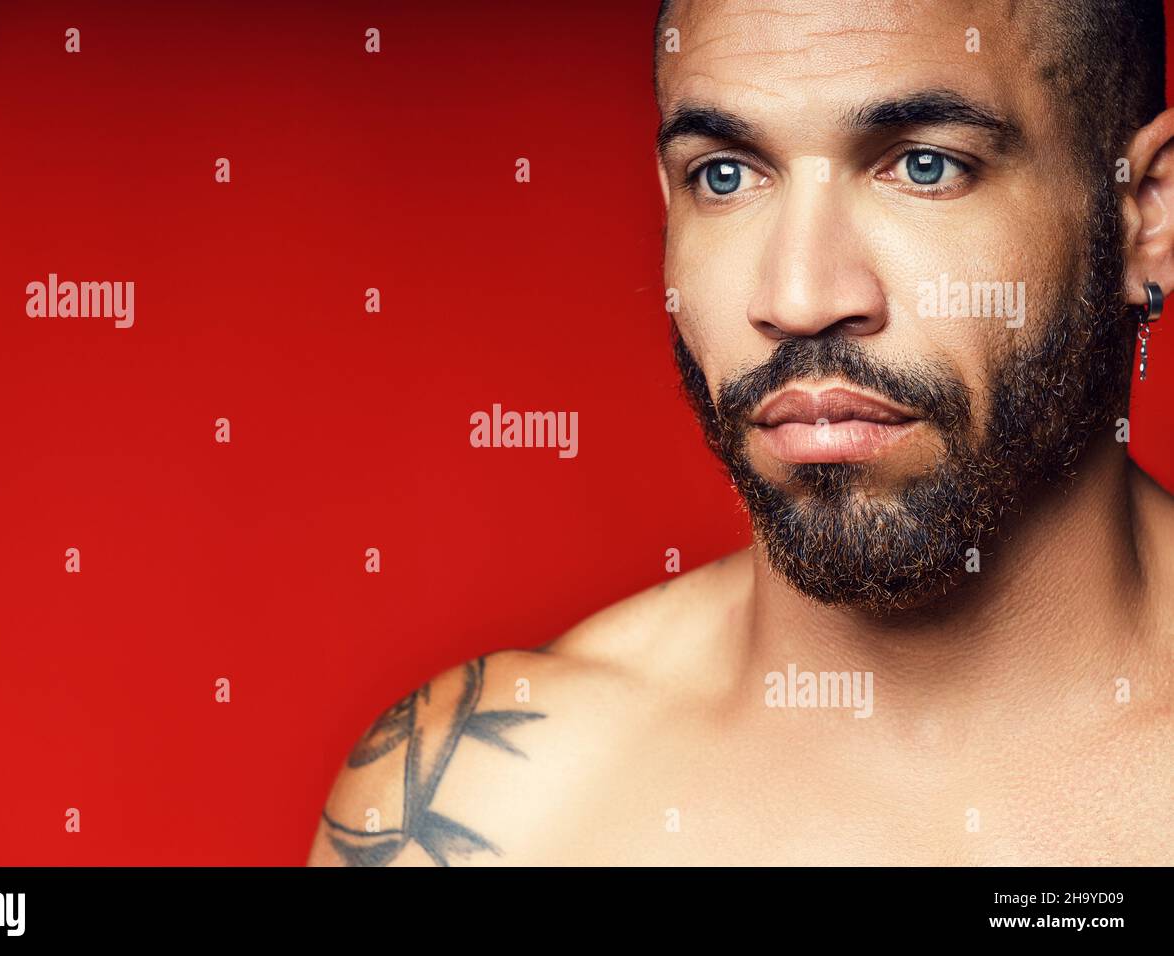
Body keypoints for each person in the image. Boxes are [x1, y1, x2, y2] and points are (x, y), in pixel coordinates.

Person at [309, 0, 1174, 866]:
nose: (797, 299)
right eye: (725, 175)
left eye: (923, 165)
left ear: (1146, 212)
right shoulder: (483, 809)